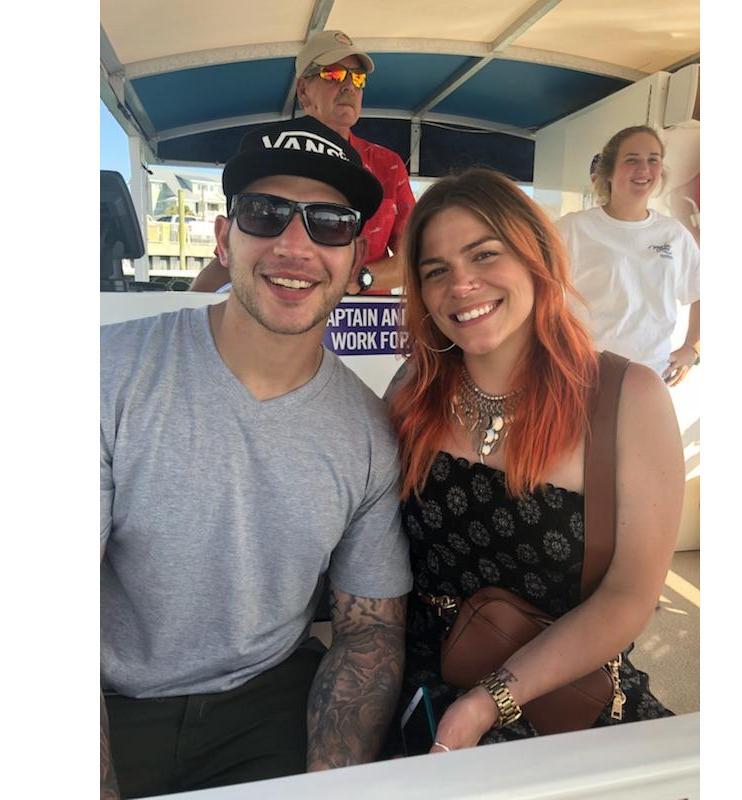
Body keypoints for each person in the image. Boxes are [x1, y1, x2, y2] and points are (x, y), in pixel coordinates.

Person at [101, 116, 412, 798]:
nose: (295, 245)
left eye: (329, 223)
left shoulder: (366, 431)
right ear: (224, 237)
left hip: (270, 702)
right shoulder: (108, 375)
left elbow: (369, 632)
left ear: (356, 254)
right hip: (113, 705)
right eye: (265, 215)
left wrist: (328, 785)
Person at [385, 168, 683, 753]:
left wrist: (485, 703)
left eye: (484, 255)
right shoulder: (412, 391)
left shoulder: (629, 398)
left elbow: (627, 596)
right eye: (436, 271)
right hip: (417, 681)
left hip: (562, 700)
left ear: (534, 256)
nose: (461, 285)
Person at [190, 29, 415, 296]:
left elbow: (416, 255)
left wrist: (360, 278)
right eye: (333, 74)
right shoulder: (269, 155)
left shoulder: (388, 165)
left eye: (357, 78)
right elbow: (230, 256)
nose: (349, 86)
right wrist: (185, 307)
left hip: (362, 329)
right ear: (303, 90)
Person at [557, 125, 700, 386]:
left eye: (653, 160)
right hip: (584, 375)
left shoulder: (674, 235)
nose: (644, 170)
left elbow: (701, 293)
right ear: (609, 171)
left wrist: (693, 348)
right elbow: (536, 295)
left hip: (651, 376)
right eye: (632, 160)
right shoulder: (572, 229)